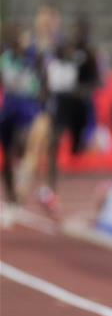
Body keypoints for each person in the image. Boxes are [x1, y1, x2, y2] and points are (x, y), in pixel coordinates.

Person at [45, 17, 106, 206]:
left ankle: (102, 185)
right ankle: (51, 190)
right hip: (63, 103)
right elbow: (51, 65)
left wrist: (83, 90)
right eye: (76, 31)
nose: (79, 35)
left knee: (78, 150)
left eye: (83, 31)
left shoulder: (91, 53)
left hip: (81, 106)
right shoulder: (63, 49)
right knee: (53, 142)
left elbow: (99, 81)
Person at [0, 22, 49, 217]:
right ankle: (12, 195)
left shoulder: (34, 58)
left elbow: (45, 81)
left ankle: (22, 186)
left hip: (28, 109)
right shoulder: (5, 59)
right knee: (7, 154)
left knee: (23, 146)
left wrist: (42, 102)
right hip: (9, 110)